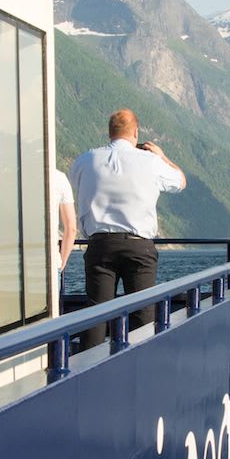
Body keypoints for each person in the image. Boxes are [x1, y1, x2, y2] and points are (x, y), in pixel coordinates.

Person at [68, 108, 185, 346]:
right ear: (135, 132)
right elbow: (180, 181)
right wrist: (162, 156)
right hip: (138, 247)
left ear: (110, 132)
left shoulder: (86, 160)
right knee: (142, 315)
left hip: (100, 246)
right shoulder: (151, 161)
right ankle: (139, 367)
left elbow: (75, 184)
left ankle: (90, 367)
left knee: (96, 315)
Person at [50, 163, 79, 280]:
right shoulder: (58, 177)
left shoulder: (10, 174)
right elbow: (71, 228)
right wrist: (62, 260)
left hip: (10, 260)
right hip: (50, 260)